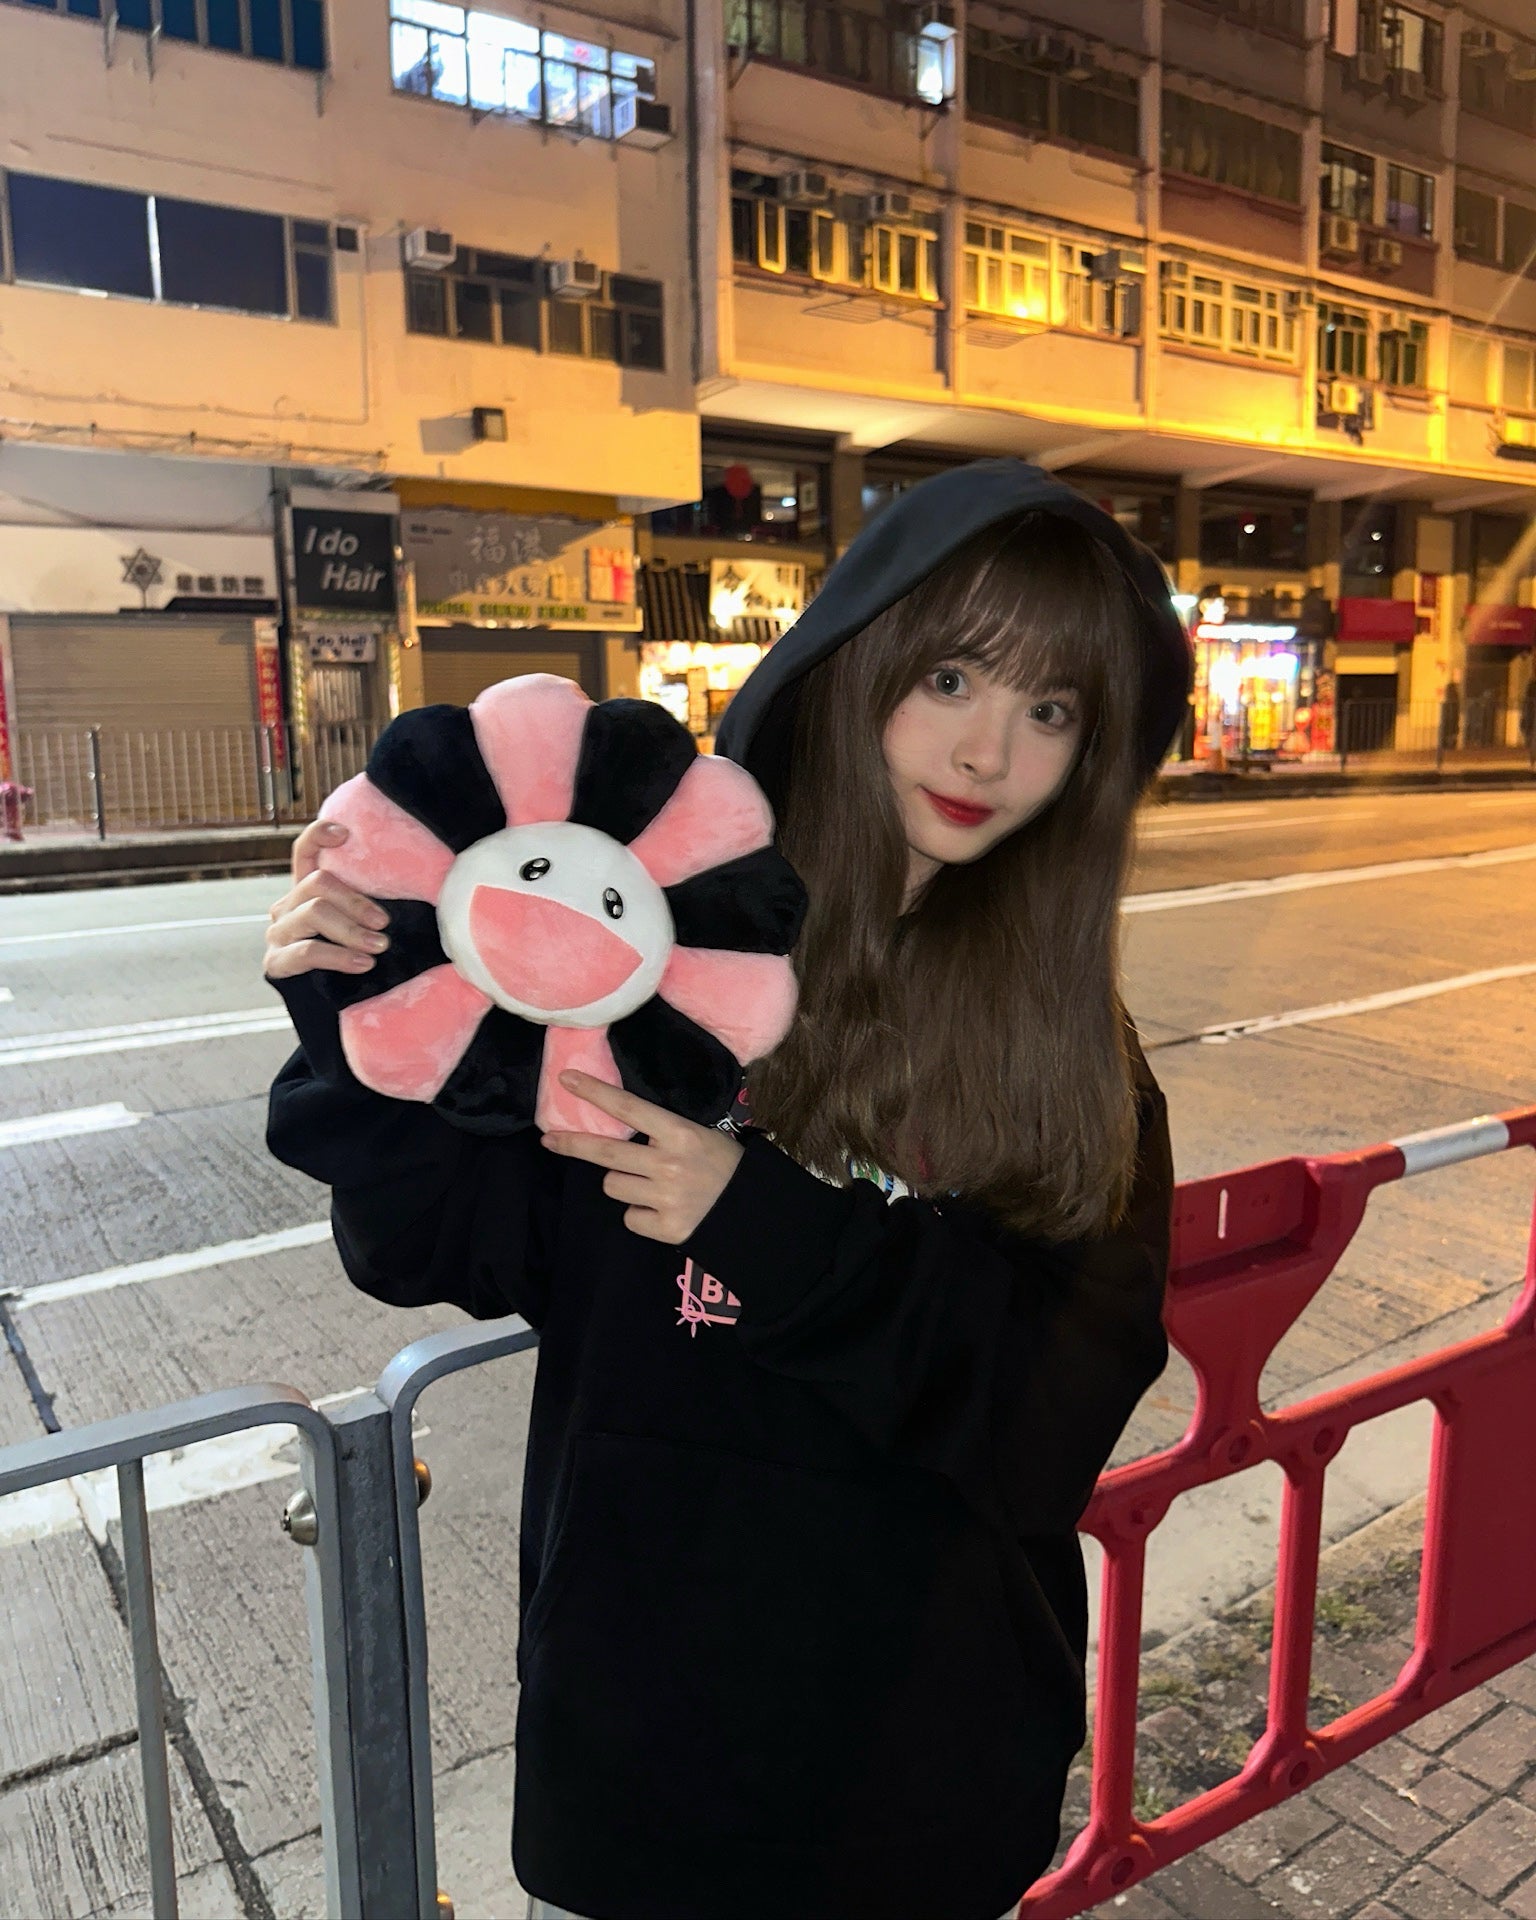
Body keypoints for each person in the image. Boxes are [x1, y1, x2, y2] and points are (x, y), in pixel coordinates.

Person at [264, 458, 1191, 1920]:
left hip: (924, 1763)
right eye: (951, 677)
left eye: (1053, 710)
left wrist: (768, 1228)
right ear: (858, 655)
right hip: (649, 1740)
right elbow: (437, 1245)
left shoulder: (1069, 1045)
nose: (988, 750)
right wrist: (375, 1014)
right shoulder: (651, 948)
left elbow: (1058, 1413)